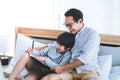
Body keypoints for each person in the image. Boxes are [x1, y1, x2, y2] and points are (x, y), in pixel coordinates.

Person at [41, 8, 101, 80]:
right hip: (70, 71)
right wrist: (36, 49)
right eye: (66, 25)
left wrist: (62, 68)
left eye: (70, 25)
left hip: (87, 71)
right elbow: (55, 44)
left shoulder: (92, 34)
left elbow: (85, 58)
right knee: (47, 79)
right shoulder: (71, 33)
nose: (68, 28)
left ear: (80, 21)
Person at [9, 32, 75, 80]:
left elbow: (59, 68)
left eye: (60, 45)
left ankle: (21, 78)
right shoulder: (53, 46)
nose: (57, 46)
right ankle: (11, 78)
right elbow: (41, 53)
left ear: (68, 48)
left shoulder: (68, 55)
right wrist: (33, 52)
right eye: (58, 43)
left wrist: (45, 60)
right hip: (39, 68)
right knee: (26, 55)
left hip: (49, 72)